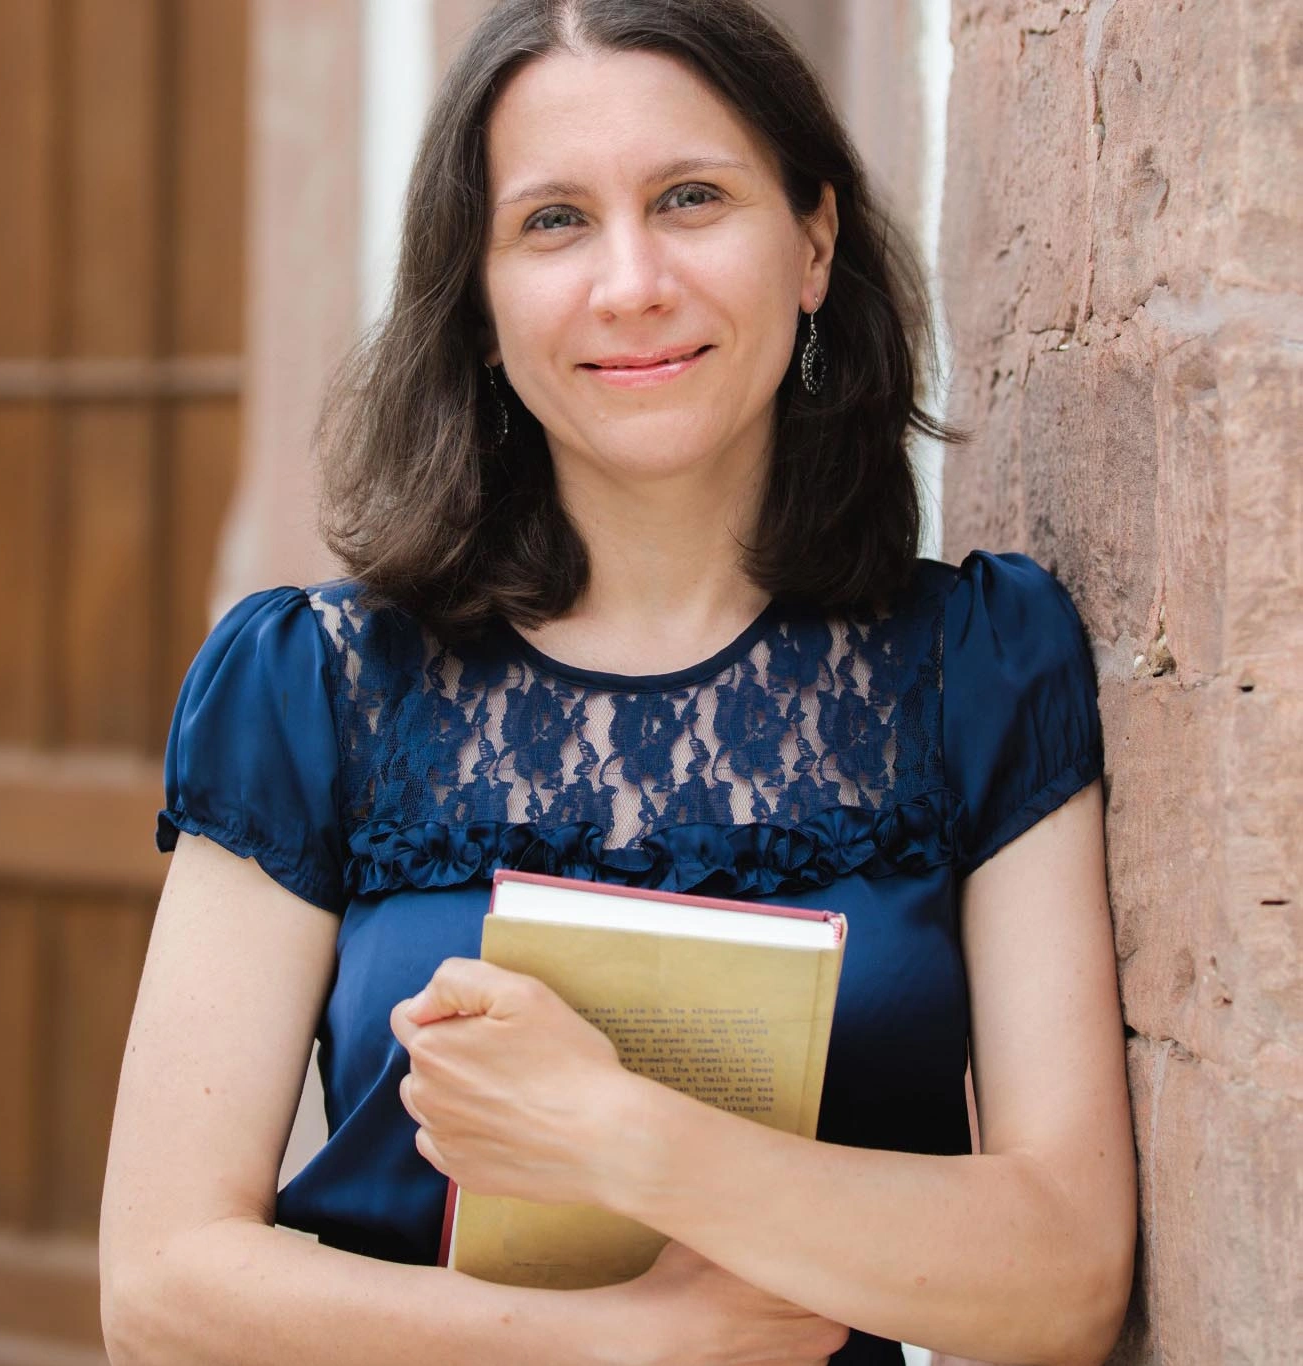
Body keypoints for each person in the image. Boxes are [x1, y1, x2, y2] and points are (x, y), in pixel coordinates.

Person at [99, 2, 1136, 1363]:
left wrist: (627, 1136)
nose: (632, 282)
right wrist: (619, 1342)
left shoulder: (981, 666)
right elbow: (161, 1287)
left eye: (690, 197)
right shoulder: (313, 685)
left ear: (813, 243)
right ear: (479, 306)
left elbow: (1065, 1280)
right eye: (553, 221)